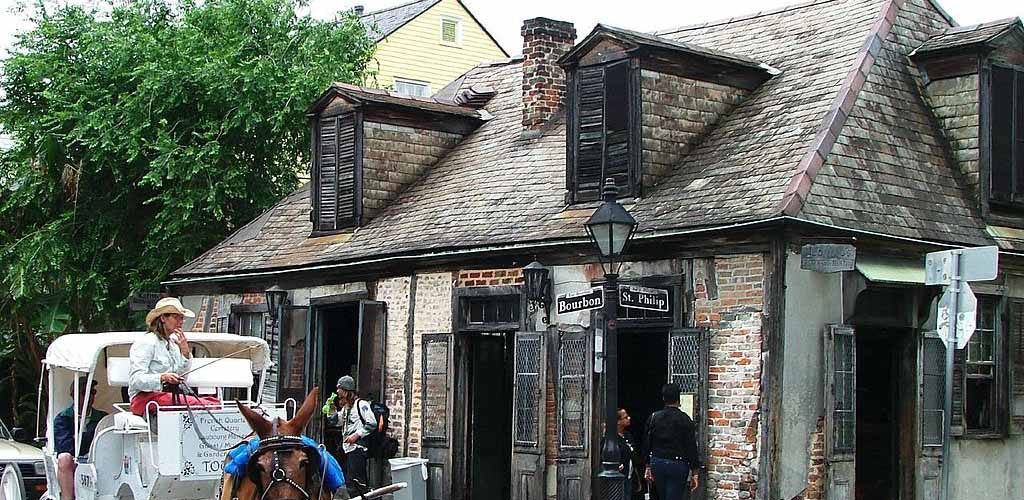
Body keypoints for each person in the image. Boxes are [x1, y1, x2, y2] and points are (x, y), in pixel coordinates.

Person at [128, 297, 219, 415]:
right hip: (144, 399)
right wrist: (162, 377)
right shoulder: (147, 342)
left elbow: (182, 377)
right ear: (163, 318)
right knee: (205, 406)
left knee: (215, 403)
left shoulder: (173, 344)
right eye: (176, 317)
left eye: (182, 318)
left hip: (170, 396)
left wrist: (185, 352)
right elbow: (136, 380)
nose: (180, 322)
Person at [643, 383, 702, 500]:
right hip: (678, 464)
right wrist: (695, 471)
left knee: (661, 495)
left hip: (657, 461)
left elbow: (647, 443)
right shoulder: (685, 419)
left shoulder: (654, 417)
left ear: (664, 398)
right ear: (678, 398)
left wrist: (647, 465)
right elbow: (691, 447)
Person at [53, 378, 107, 500]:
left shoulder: (102, 417)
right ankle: (68, 498)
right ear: (73, 395)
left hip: (97, 460)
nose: (89, 395)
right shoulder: (63, 419)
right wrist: (88, 438)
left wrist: (79, 438)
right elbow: (66, 447)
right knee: (64, 458)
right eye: (84, 392)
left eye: (92, 392)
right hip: (75, 461)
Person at [326, 375, 375, 497]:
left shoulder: (361, 404)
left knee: (357, 483)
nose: (338, 392)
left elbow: (372, 423)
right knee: (350, 482)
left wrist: (356, 435)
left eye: (340, 389)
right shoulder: (346, 408)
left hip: (357, 448)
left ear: (347, 391)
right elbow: (337, 422)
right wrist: (331, 411)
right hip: (347, 449)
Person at [616, 408, 643, 500]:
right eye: (625, 417)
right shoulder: (612, 438)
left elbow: (633, 456)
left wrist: (637, 478)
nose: (629, 418)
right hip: (618, 476)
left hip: (629, 475)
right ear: (618, 421)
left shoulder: (628, 435)